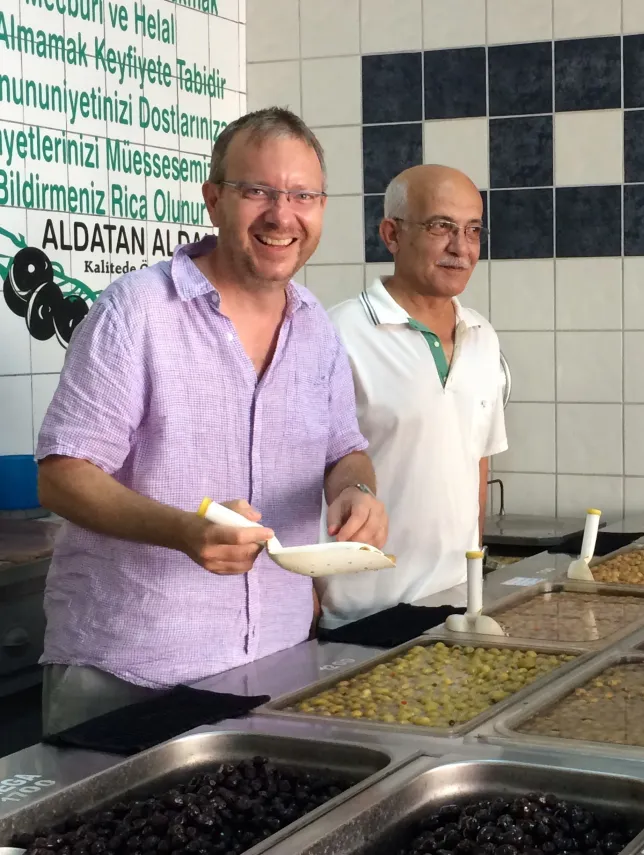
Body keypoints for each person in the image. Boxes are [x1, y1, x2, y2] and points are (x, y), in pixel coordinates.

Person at [35, 107, 389, 733]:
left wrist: (356, 489)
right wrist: (182, 531)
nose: (283, 215)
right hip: (130, 674)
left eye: (303, 195)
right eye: (258, 191)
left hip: (275, 667)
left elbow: (344, 450)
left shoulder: (316, 330)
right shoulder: (137, 314)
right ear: (214, 200)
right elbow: (63, 474)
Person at [319, 164, 506, 628]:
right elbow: (290, 473)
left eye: (473, 230)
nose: (460, 248)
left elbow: (477, 463)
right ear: (391, 234)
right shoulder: (336, 335)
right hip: (362, 613)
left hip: (457, 604)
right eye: (441, 226)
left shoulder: (482, 336)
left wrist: (475, 575)